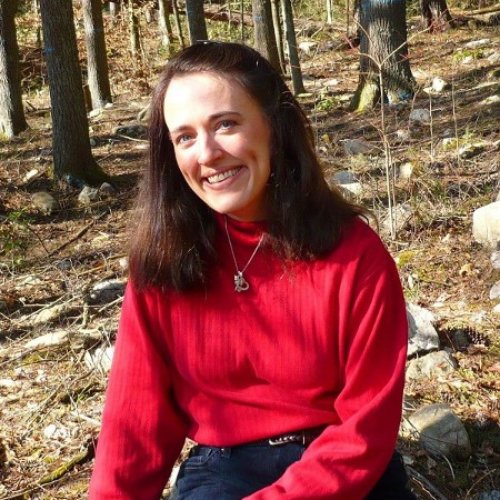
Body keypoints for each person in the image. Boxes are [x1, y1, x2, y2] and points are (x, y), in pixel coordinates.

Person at [89, 41, 414, 499]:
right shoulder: (162, 262)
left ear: (273, 125)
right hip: (223, 471)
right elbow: (134, 421)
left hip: (346, 472)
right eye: (185, 137)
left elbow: (365, 428)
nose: (207, 154)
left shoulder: (355, 256)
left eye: (225, 124)